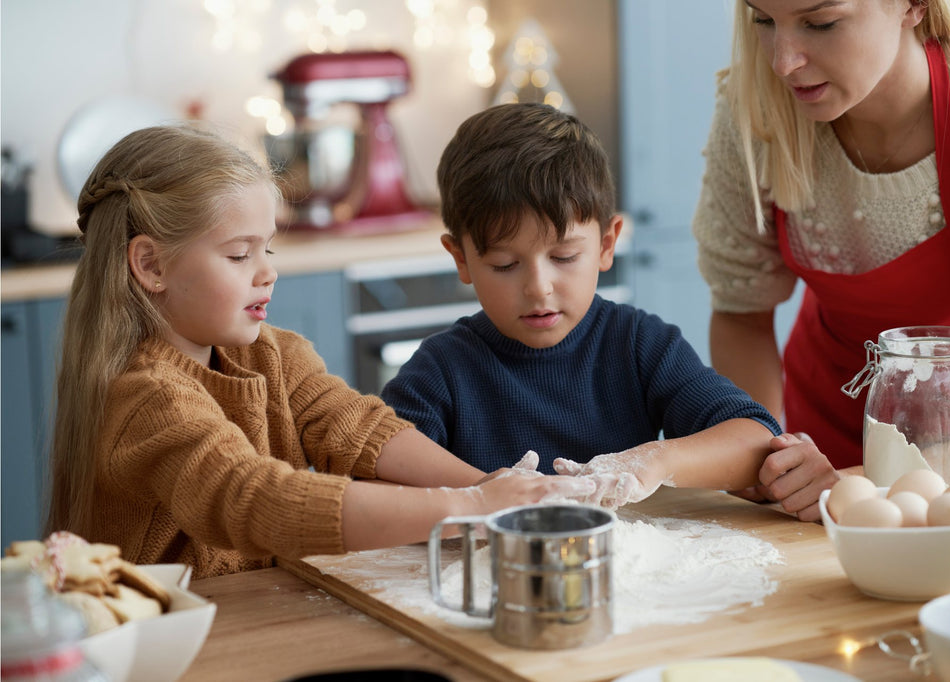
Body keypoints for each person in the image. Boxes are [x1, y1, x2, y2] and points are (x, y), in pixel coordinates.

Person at [44, 124, 596, 579]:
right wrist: (471, 510)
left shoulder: (274, 355)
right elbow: (255, 499)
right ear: (152, 266)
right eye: (239, 255)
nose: (269, 272)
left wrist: (483, 486)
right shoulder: (146, 399)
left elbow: (356, 428)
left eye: (269, 248)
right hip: (158, 647)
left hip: (247, 624)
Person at [692, 0, 950, 508]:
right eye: (764, 20)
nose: (783, 63)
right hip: (813, 432)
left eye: (821, 23)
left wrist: (853, 485)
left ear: (913, 5)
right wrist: (763, 448)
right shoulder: (757, 104)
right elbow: (741, 314)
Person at [381, 102, 790, 513]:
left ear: (606, 244)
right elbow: (376, 469)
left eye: (563, 257)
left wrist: (654, 462)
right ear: (461, 260)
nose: (539, 289)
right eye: (504, 265)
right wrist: (483, 492)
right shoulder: (442, 370)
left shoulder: (639, 344)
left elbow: (755, 440)